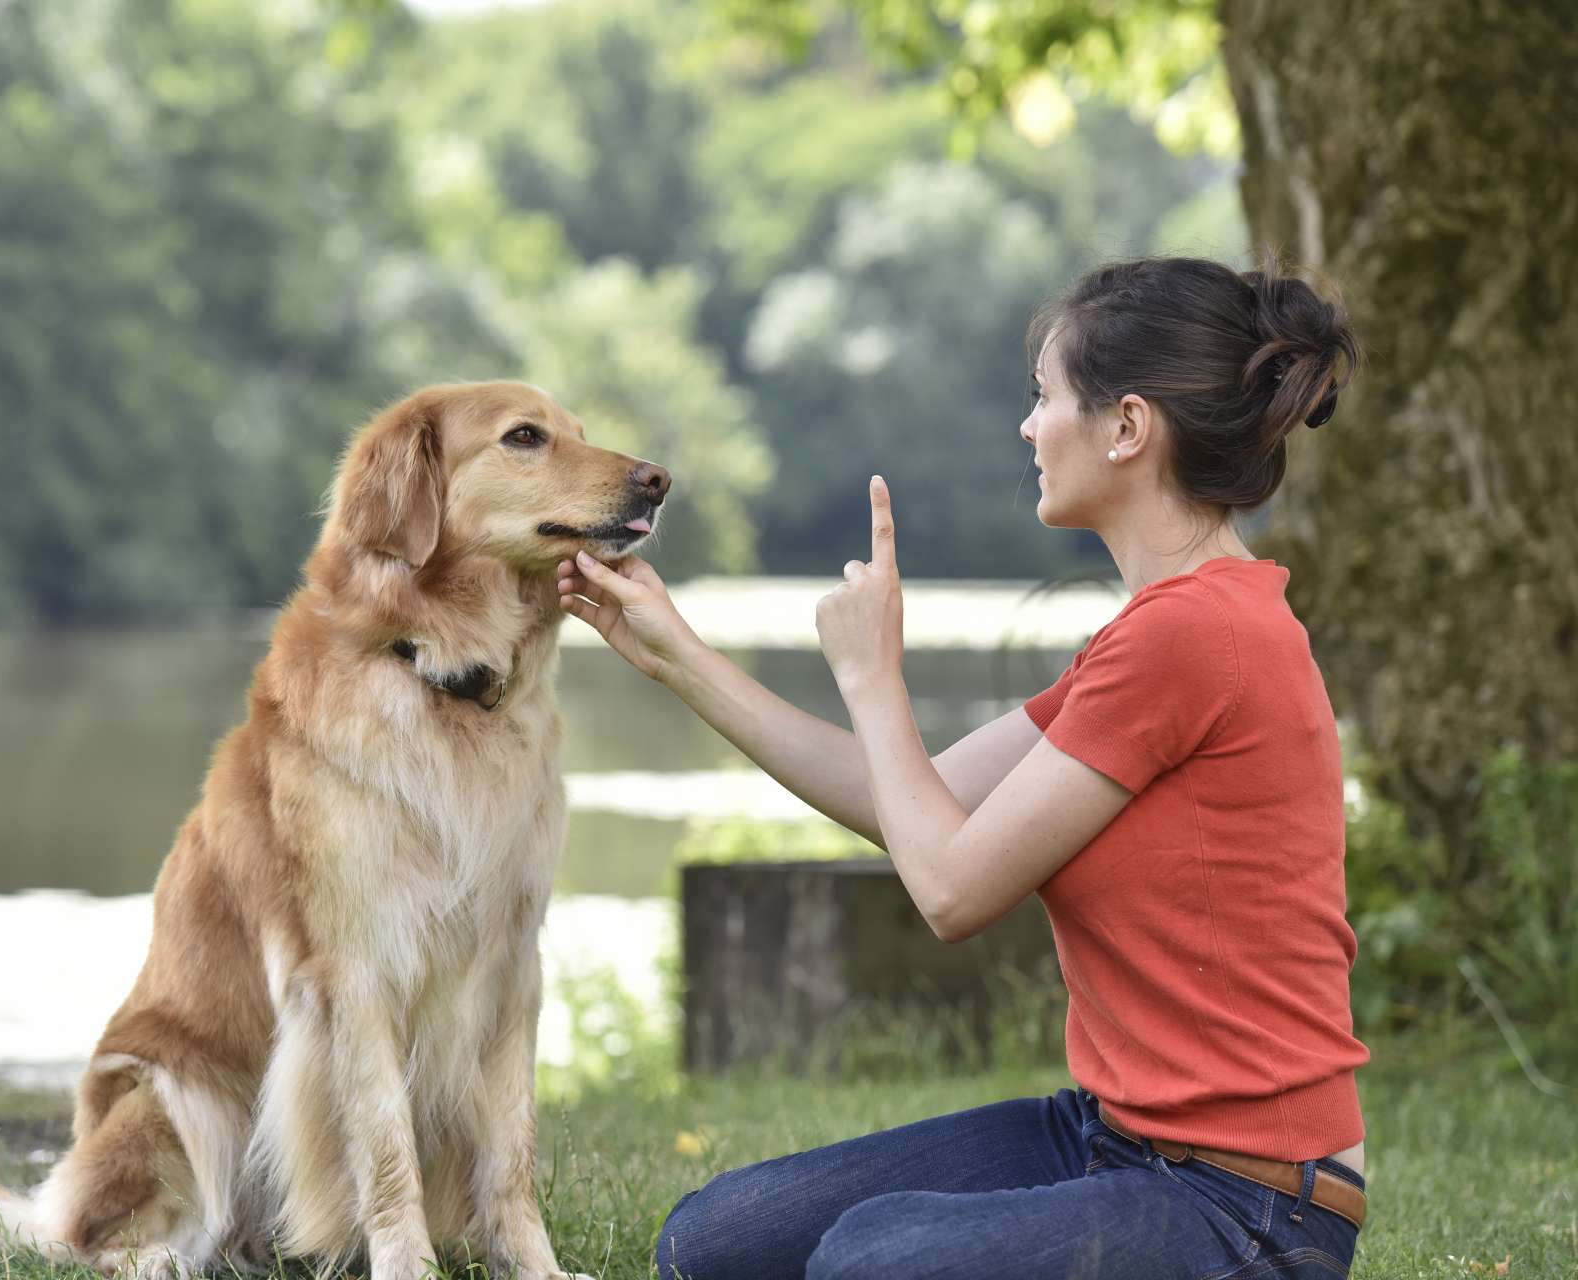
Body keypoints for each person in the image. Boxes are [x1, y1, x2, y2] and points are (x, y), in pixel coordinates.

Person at [555, 255, 1372, 1280]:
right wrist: (676, 654)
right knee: (713, 1237)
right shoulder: (1158, 631)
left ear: (1125, 426)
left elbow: (946, 888)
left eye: (1043, 398)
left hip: (1246, 1201)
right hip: (1114, 1135)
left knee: (865, 1261)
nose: (1028, 428)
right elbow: (916, 804)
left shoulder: (1192, 637)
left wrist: (873, 676)